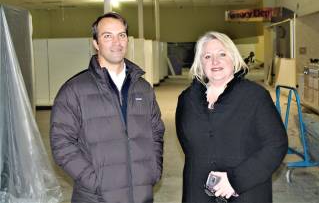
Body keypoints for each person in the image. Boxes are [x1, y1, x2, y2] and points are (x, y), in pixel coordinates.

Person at [50, 12, 165, 203]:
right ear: (95, 43)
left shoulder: (143, 88)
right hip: (96, 197)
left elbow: (156, 132)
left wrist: (152, 170)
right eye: (107, 36)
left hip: (140, 195)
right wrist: (96, 182)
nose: (116, 42)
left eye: (121, 35)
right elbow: (61, 143)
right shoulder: (74, 90)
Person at [175, 31, 288, 203]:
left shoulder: (255, 96)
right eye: (207, 56)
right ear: (200, 63)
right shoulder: (186, 100)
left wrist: (235, 180)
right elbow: (187, 145)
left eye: (222, 54)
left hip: (246, 192)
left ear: (233, 58)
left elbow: (276, 145)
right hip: (197, 191)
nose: (215, 61)